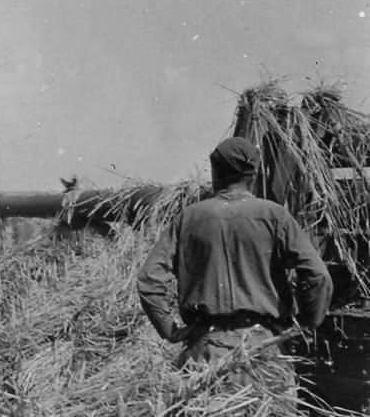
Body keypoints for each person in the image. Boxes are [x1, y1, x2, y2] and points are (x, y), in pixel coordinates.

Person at [136, 136, 333, 372]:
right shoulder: (275, 216)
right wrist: (305, 325)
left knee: (199, 409)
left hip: (205, 352)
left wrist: (169, 329)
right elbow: (318, 276)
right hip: (263, 351)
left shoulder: (189, 218)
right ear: (254, 174)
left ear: (215, 171)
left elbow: (148, 280)